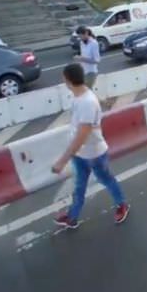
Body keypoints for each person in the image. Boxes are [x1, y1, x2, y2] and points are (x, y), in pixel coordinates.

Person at [51, 63, 129, 229]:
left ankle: (122, 204)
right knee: (79, 186)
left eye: (64, 78)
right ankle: (72, 217)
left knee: (106, 179)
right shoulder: (81, 95)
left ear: (68, 80)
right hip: (80, 154)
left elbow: (82, 135)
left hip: (94, 154)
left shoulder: (86, 102)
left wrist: (62, 161)